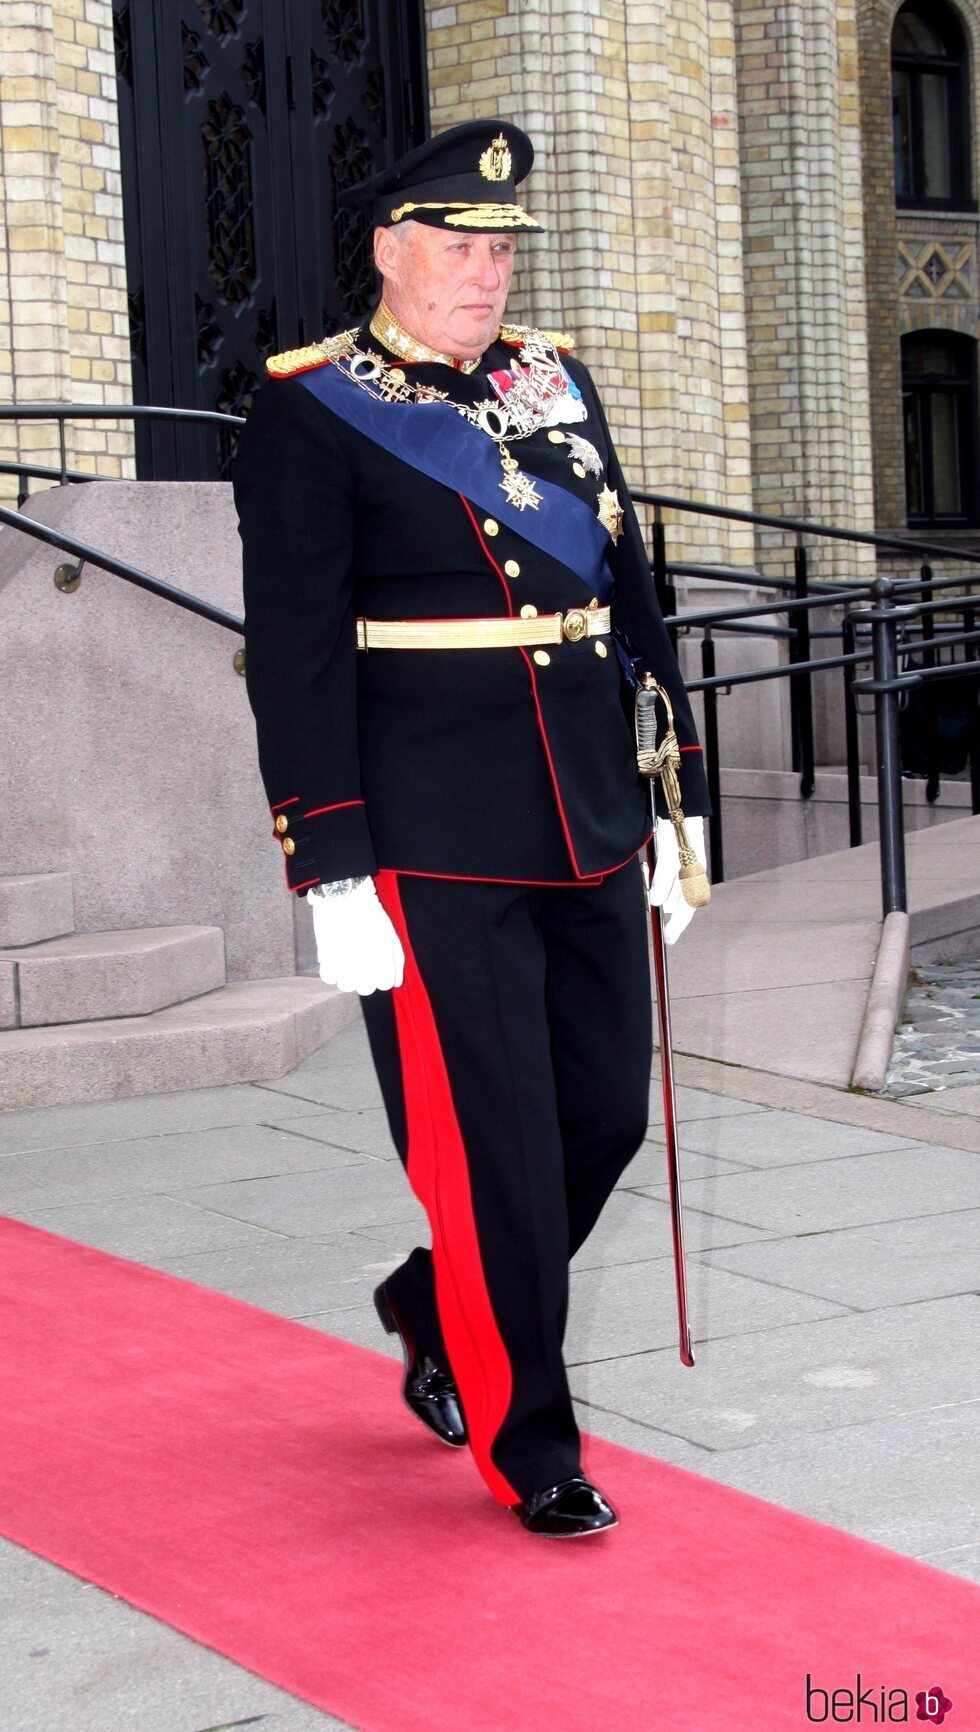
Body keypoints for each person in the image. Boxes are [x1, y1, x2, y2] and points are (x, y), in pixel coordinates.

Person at [233, 120, 710, 1539]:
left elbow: (631, 588)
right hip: (434, 838)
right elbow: (299, 650)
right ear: (388, 251)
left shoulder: (558, 381)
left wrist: (672, 803)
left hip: (589, 811)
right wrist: (329, 861)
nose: (484, 273)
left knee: (604, 1111)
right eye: (456, 246)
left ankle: (436, 1302)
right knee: (496, 1149)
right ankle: (532, 1443)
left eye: (501, 249)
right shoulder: (314, 410)